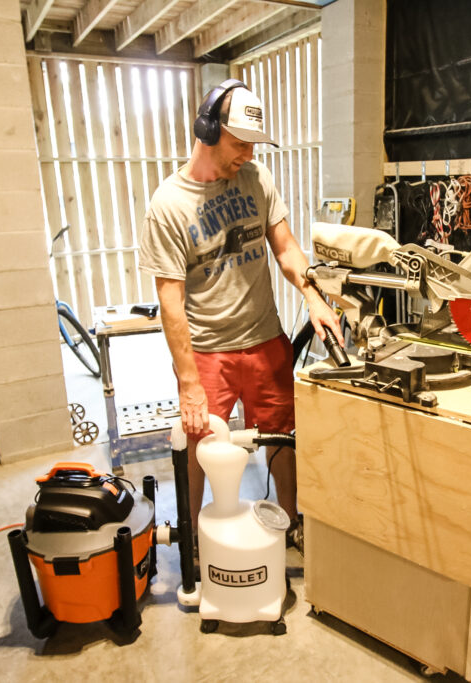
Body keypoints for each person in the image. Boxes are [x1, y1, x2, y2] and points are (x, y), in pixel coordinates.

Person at [139, 79, 341, 553]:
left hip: (266, 338)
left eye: (253, 144)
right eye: (239, 143)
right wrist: (188, 382)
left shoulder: (256, 178)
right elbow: (170, 303)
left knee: (281, 434)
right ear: (207, 130)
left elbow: (287, 248)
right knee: (196, 443)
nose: (247, 154)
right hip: (208, 351)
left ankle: (291, 521)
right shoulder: (168, 205)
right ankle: (190, 535)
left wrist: (311, 294)